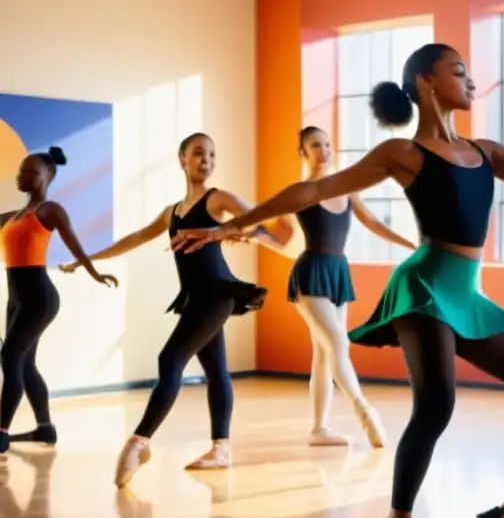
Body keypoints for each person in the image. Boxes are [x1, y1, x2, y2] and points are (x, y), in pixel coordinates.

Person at [171, 43, 504, 518]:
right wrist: (232, 226)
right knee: (437, 403)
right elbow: (314, 190)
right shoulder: (403, 153)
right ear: (424, 82)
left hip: (467, 292)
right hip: (422, 287)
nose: (470, 78)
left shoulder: (487, 152)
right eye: (458, 70)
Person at [61, 132, 293, 487]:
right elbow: (134, 238)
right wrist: (87, 259)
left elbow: (263, 225)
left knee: (170, 361)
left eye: (213, 154)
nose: (207, 160)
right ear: (182, 160)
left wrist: (233, 232)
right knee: (216, 369)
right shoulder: (172, 213)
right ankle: (221, 448)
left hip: (218, 294)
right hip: (196, 297)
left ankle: (139, 443)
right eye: (199, 153)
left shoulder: (219, 199)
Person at [287, 125, 415, 447]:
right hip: (311, 272)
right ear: (303, 151)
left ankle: (319, 429)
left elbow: (372, 222)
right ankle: (365, 412)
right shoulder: (301, 191)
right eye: (316, 145)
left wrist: (410, 244)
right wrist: (246, 232)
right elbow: (280, 234)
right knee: (338, 343)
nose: (324, 150)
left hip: (338, 271)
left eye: (328, 144)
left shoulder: (346, 188)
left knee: (324, 351)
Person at [1, 147, 119, 455]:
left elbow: (75, 246)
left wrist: (94, 273)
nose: (21, 175)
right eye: (20, 170)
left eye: (30, 171)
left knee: (10, 357)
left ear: (46, 178)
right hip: (15, 298)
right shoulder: (11, 217)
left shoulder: (50, 210)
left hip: (39, 298)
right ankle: (45, 428)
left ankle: (0, 433)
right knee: (24, 364)